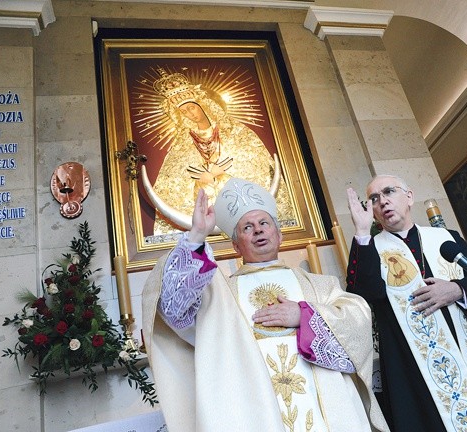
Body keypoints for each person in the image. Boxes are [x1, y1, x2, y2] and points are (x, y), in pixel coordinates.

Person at [142, 177, 388, 432]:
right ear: (236, 245)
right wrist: (196, 237)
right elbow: (173, 308)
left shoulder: (319, 286)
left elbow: (358, 322)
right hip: (250, 411)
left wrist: (305, 316)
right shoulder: (218, 295)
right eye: (247, 227)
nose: (258, 230)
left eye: (263, 223)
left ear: (280, 236)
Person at [346, 174, 467, 432]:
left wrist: (456, 289)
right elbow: (363, 298)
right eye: (374, 198)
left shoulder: (444, 238)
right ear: (371, 211)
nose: (382, 201)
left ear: (409, 197)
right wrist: (362, 233)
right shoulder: (369, 249)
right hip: (414, 372)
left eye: (389, 192)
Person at [149, 68, 294, 234]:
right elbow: (173, 182)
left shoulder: (235, 131)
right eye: (184, 111)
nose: (190, 114)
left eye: (192, 107)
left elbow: (255, 163)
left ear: (202, 105)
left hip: (242, 209)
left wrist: (225, 173)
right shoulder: (182, 145)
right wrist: (201, 180)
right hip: (206, 210)